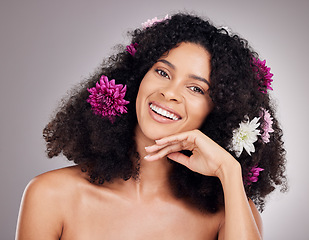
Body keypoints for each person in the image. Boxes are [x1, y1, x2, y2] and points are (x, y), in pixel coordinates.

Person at [16, 13, 287, 239]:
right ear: (136, 79)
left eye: (195, 88)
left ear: (218, 114)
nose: (170, 93)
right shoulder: (50, 196)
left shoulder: (230, 212)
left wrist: (229, 170)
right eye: (162, 72)